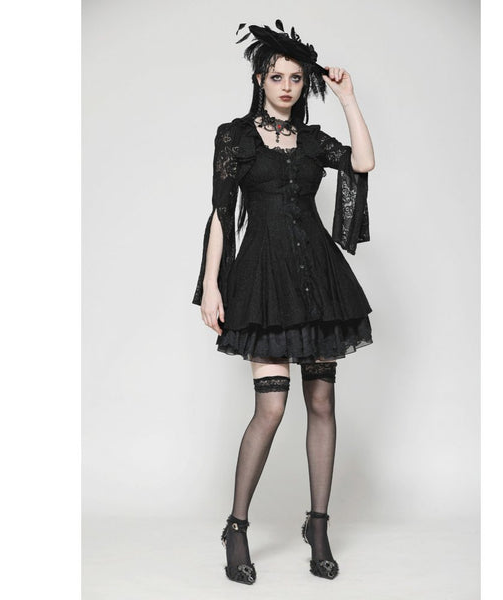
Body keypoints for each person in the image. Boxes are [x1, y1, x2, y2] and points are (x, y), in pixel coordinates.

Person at [191, 20, 375, 584]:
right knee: (270, 409)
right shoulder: (235, 137)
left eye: (296, 78)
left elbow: (363, 162)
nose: (288, 86)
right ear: (260, 80)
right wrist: (212, 285)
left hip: (319, 282)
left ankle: (317, 526)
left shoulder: (314, 141)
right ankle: (237, 526)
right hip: (264, 285)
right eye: (278, 77)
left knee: (322, 403)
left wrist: (347, 98)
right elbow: (222, 213)